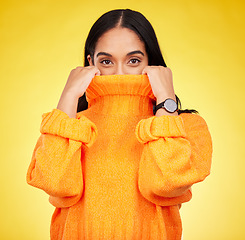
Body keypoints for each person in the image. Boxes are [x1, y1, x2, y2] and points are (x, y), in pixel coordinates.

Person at [27, 9, 212, 240]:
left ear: (152, 64)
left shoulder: (185, 127)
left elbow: (166, 182)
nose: (120, 73)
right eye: (106, 61)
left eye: (133, 60)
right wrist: (68, 96)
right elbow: (55, 183)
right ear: (90, 64)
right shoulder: (70, 127)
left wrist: (166, 99)